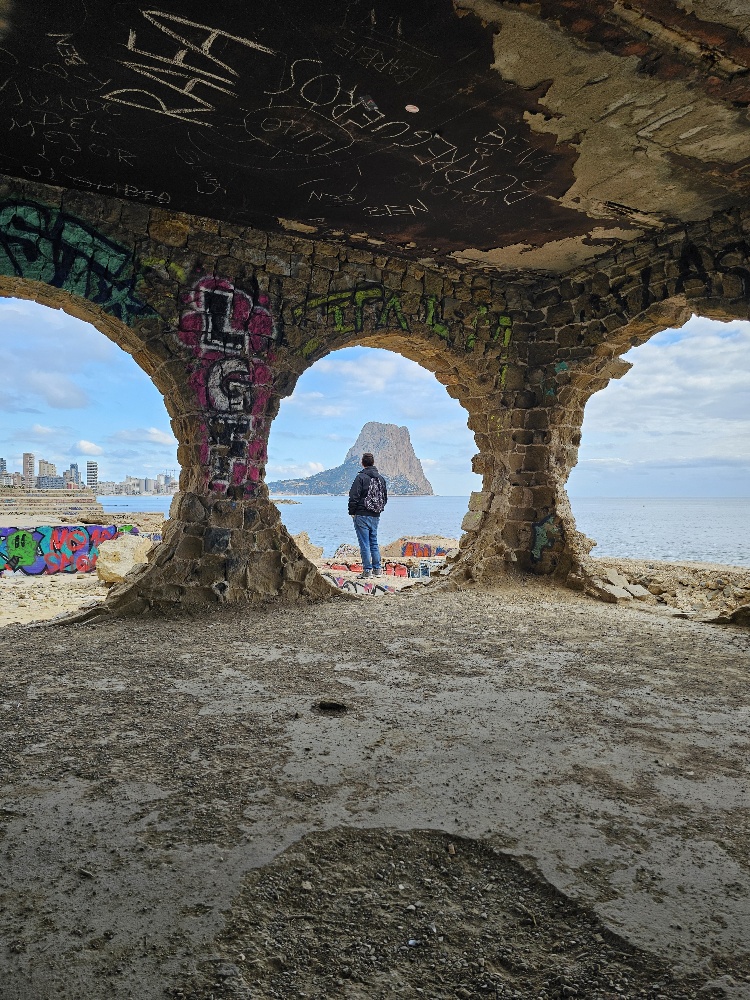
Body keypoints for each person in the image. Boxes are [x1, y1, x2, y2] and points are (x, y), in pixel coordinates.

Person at [348, 452, 388, 579]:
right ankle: (377, 570)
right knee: (374, 542)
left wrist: (352, 512)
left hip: (361, 514)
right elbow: (385, 498)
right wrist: (377, 510)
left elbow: (353, 496)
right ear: (373, 462)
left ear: (362, 463)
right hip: (375, 515)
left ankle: (367, 571)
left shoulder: (360, 477)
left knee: (364, 543)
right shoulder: (381, 479)